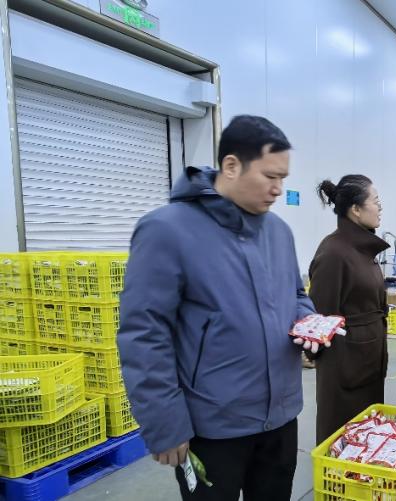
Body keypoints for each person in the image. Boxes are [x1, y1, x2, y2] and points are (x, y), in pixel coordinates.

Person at [118, 115, 316, 500]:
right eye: (270, 176)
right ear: (231, 165)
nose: (278, 189)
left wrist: (309, 323)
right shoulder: (166, 230)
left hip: (280, 417)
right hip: (212, 425)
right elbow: (144, 334)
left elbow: (296, 295)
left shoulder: (279, 232)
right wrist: (164, 423)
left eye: (283, 178)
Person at [309, 175, 390, 444]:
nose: (380, 207)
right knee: (342, 432)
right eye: (375, 201)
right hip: (345, 364)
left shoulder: (361, 248)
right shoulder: (334, 252)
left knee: (367, 434)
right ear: (356, 209)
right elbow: (319, 317)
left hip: (367, 357)